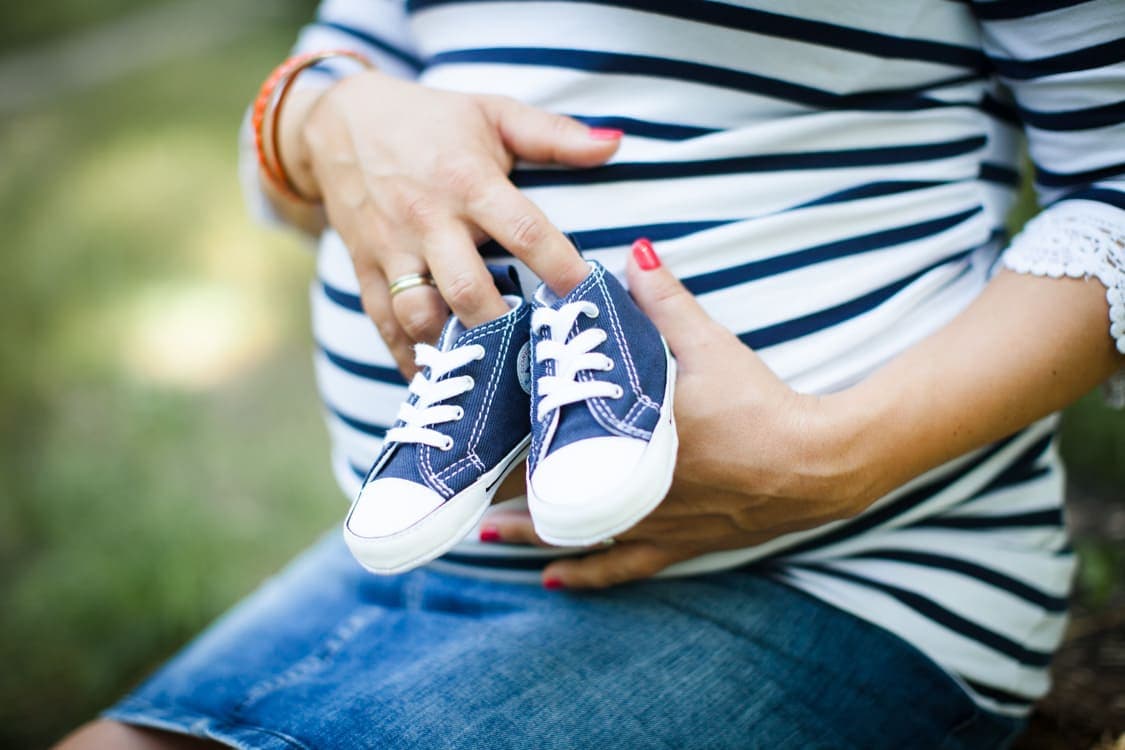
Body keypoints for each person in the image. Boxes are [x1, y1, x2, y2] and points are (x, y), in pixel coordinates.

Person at [58, 1, 1125, 748]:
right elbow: (303, 129)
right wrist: (326, 118)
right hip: (436, 548)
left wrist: (834, 458)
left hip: (846, 572)